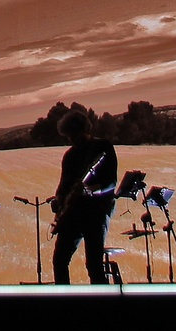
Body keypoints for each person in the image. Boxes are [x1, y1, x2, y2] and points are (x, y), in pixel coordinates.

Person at [50, 109, 118, 285]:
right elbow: (63, 185)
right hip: (72, 214)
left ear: (83, 130)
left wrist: (87, 190)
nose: (70, 140)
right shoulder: (69, 155)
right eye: (68, 136)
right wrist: (58, 200)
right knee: (59, 261)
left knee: (94, 266)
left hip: (95, 214)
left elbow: (109, 184)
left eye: (73, 135)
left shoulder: (102, 147)